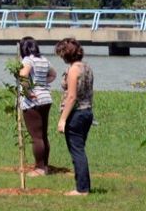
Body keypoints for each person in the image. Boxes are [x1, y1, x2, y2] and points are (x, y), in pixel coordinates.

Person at [55, 37, 94, 196]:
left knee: (77, 151)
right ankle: (82, 185)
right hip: (87, 112)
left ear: (66, 54)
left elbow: (72, 97)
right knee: (80, 150)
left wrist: (63, 119)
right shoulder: (87, 67)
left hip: (76, 115)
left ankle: (82, 189)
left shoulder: (73, 70)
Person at [17, 37, 56, 176]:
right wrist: (41, 83)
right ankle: (44, 165)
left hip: (33, 101)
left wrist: (28, 92)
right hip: (46, 98)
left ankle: (39, 169)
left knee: (36, 137)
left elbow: (23, 76)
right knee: (43, 135)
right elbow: (53, 74)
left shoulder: (27, 60)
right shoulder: (43, 59)